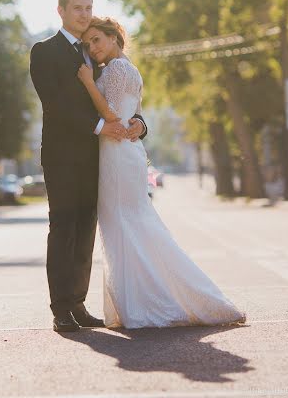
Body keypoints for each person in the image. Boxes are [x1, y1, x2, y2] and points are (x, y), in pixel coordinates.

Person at [78, 16, 246, 329]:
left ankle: (143, 303)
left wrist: (88, 82)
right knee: (133, 225)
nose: (93, 48)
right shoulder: (127, 68)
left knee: (124, 226)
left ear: (114, 37)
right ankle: (142, 300)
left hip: (117, 156)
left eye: (97, 40)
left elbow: (113, 116)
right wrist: (136, 123)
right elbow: (132, 116)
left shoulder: (115, 69)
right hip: (123, 154)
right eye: (89, 44)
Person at [29, 0, 147, 333]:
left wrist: (140, 123)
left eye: (88, 7)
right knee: (63, 227)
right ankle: (61, 308)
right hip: (62, 157)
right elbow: (56, 105)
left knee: (86, 230)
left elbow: (123, 97)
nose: (83, 13)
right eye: (77, 7)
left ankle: (79, 304)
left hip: (99, 157)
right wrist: (101, 127)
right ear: (61, 11)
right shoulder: (44, 51)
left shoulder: (95, 54)